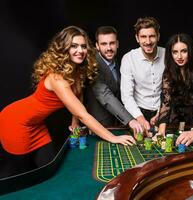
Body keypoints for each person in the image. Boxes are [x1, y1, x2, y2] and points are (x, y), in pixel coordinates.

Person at [0, 26, 135, 178]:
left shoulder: (78, 70)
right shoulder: (57, 78)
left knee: (50, 169)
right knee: (21, 177)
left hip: (37, 124)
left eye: (83, 46)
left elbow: (78, 97)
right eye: (74, 46)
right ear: (64, 49)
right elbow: (83, 114)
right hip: (16, 122)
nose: (80, 50)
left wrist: (75, 124)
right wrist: (113, 138)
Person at [85, 26, 143, 135]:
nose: (109, 48)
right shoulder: (92, 66)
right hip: (99, 126)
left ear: (117, 44)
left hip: (116, 123)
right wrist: (130, 120)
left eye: (112, 43)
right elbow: (105, 95)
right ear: (97, 46)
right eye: (104, 44)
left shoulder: (117, 61)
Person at [120, 17, 165, 135]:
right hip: (138, 112)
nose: (148, 41)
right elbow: (126, 96)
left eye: (152, 36)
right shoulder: (128, 58)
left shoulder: (167, 55)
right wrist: (140, 118)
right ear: (137, 38)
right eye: (143, 37)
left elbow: (172, 89)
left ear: (158, 36)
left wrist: (162, 112)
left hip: (164, 111)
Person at [156, 33, 193, 136]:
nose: (179, 56)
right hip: (174, 124)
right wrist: (161, 132)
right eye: (175, 52)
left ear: (190, 51)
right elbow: (166, 103)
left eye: (184, 51)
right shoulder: (168, 73)